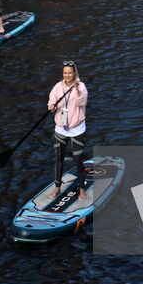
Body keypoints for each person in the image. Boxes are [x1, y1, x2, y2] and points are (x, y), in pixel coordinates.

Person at [47, 61, 89, 194]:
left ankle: (82, 188)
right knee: (59, 157)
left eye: (70, 73)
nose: (67, 75)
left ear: (74, 73)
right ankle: (57, 187)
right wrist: (51, 106)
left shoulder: (81, 87)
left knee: (77, 159)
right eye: (65, 73)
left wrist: (75, 89)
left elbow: (81, 102)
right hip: (61, 127)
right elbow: (51, 101)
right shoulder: (58, 86)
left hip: (77, 128)